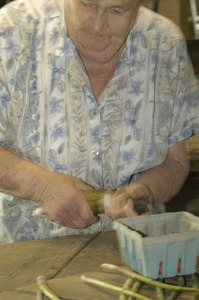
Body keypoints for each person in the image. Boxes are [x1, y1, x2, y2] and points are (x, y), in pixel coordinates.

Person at [0, 0, 198, 244]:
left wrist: (144, 192)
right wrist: (42, 187)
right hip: (25, 255)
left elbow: (174, 161)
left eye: (117, 10)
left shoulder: (165, 43)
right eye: (87, 4)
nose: (97, 24)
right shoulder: (10, 32)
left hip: (131, 254)